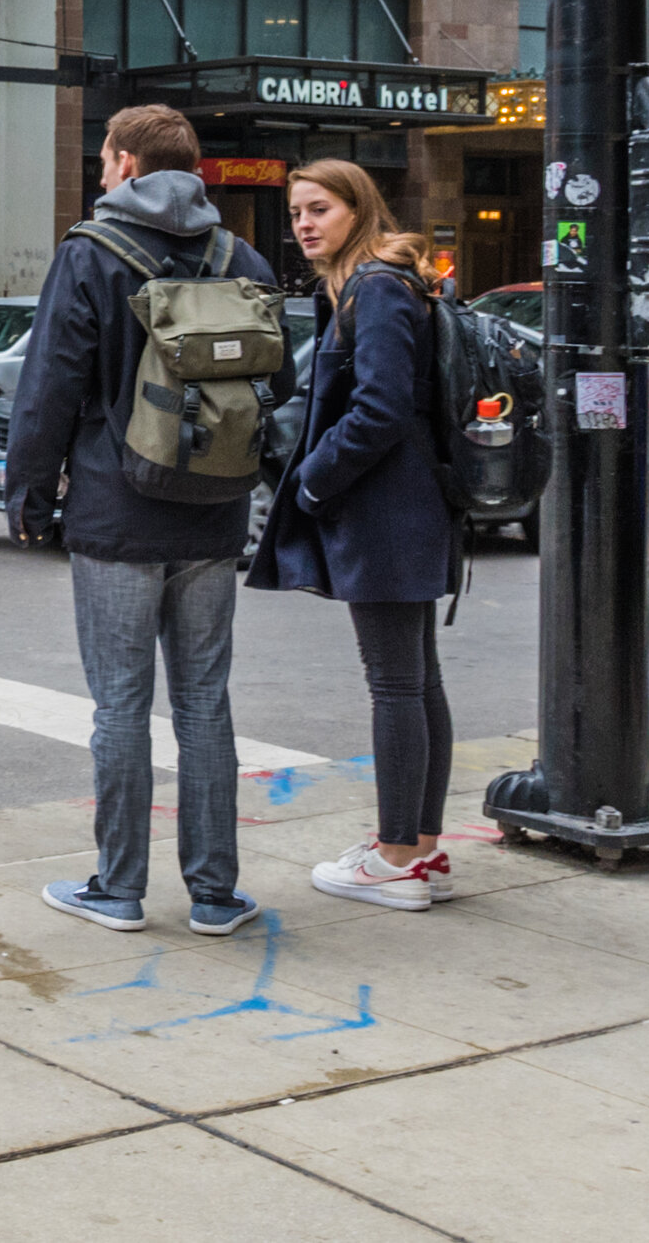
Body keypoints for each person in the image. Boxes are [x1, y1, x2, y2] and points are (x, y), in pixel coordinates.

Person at [4, 104, 295, 937]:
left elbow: (52, 380)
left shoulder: (91, 254)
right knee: (206, 702)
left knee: (120, 707)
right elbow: (267, 383)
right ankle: (214, 893)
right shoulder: (238, 253)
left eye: (104, 158)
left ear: (127, 164)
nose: (100, 172)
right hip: (213, 513)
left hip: (115, 509)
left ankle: (119, 888)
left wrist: (29, 489)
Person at [247, 159, 459, 911]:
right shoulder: (383, 284)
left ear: (357, 209)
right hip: (402, 507)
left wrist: (311, 481)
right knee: (416, 679)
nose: (304, 223)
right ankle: (419, 847)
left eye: (320, 209)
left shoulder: (374, 287)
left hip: (386, 510)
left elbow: (380, 408)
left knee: (396, 683)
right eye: (297, 211)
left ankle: (399, 855)